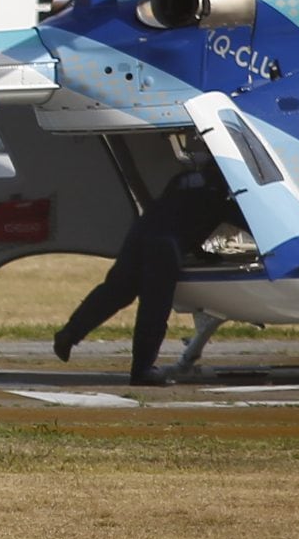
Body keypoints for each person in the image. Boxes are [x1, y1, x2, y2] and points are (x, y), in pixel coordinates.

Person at [53, 164, 225, 386]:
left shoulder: (185, 177)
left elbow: (179, 211)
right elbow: (211, 218)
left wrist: (200, 251)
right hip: (164, 245)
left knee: (116, 291)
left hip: (142, 231)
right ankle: (142, 370)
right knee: (154, 307)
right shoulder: (223, 190)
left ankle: (69, 334)